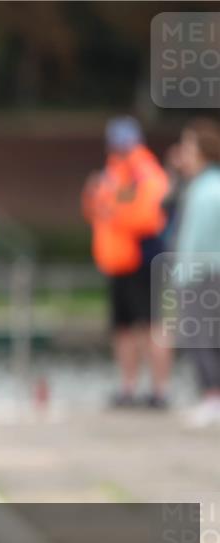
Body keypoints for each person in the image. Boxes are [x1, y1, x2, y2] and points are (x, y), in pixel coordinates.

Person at [82, 116, 170, 408]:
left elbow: (146, 217)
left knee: (149, 325)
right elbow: (96, 210)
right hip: (117, 261)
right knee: (122, 328)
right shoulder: (113, 171)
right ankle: (128, 387)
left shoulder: (143, 171)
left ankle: (159, 390)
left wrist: (110, 209)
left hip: (140, 259)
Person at [173, 118, 220, 428]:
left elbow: (194, 241)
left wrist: (181, 276)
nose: (182, 152)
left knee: (201, 337)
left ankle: (212, 396)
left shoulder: (207, 190)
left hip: (202, 274)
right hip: (205, 272)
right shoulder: (203, 185)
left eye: (188, 145)